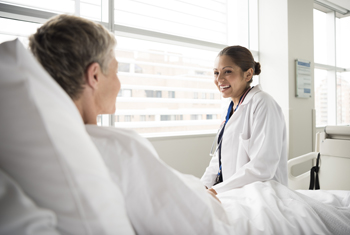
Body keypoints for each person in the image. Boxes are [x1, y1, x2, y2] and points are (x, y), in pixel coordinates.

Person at [28, 14, 230, 234]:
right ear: (94, 76)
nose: (119, 84)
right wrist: (203, 198)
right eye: (115, 71)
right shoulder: (118, 147)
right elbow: (198, 224)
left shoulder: (36, 146)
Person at [201, 46, 288, 195]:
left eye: (227, 71)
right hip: (232, 190)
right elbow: (219, 159)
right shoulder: (229, 109)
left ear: (248, 74)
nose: (219, 79)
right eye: (216, 73)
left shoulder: (263, 103)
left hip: (261, 193)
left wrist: (216, 190)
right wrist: (202, 187)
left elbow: (262, 167)